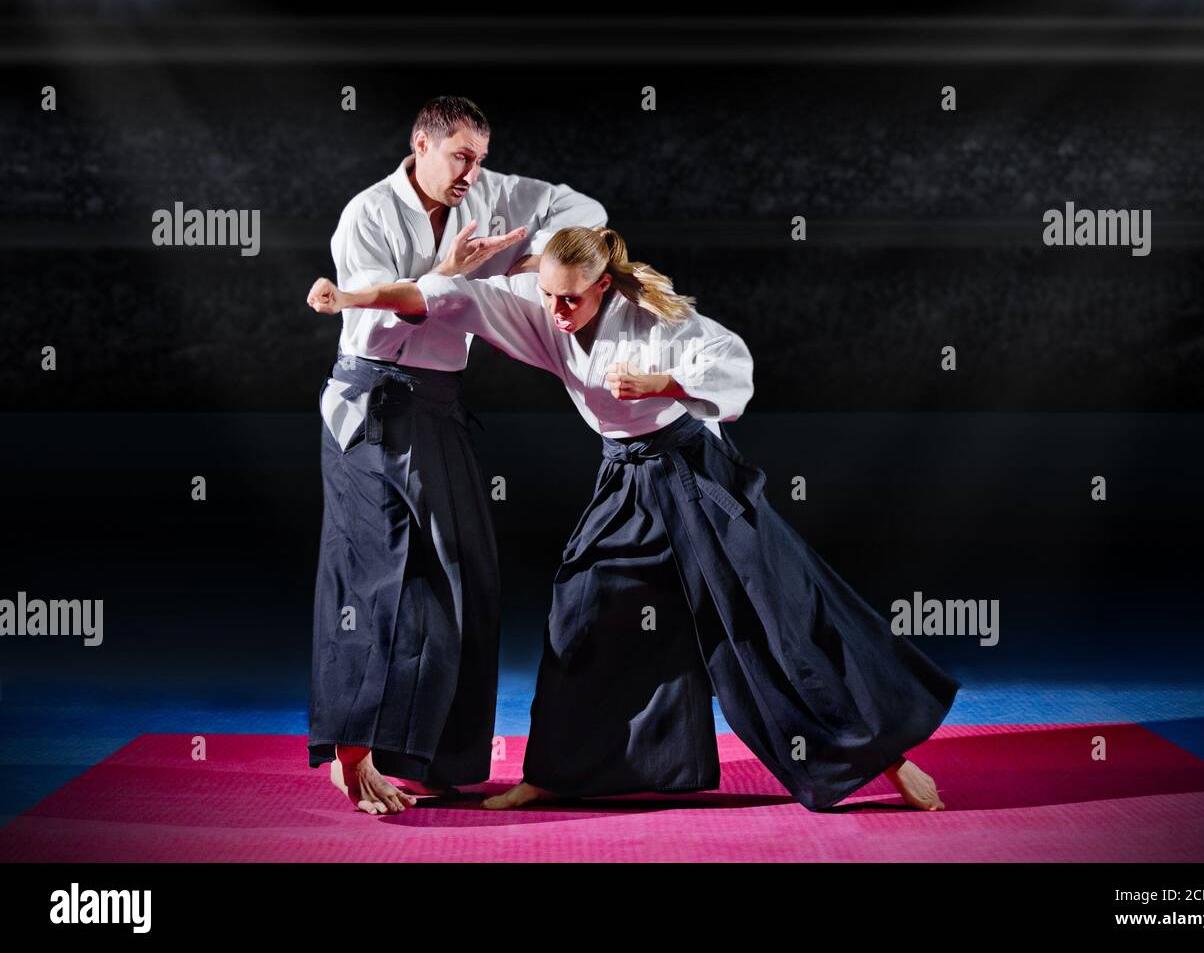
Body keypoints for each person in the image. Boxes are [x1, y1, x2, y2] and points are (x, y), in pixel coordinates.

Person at [306, 225, 960, 812]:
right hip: (626, 480)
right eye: (550, 295)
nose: (559, 312)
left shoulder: (652, 315)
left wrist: (665, 387)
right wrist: (349, 300)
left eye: (573, 299)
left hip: (696, 474)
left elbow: (729, 364)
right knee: (581, 609)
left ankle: (885, 760)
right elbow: (440, 298)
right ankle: (559, 772)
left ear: (603, 284)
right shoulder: (541, 307)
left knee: (770, 618)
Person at [309, 97, 607, 815]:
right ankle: (352, 757)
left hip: (439, 407)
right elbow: (376, 336)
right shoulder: (367, 214)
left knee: (463, 576)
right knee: (373, 580)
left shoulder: (495, 193)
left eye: (480, 156)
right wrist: (447, 272)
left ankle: (428, 755)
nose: (471, 172)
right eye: (458, 156)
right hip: (371, 407)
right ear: (420, 144)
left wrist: (535, 256)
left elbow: (588, 210)